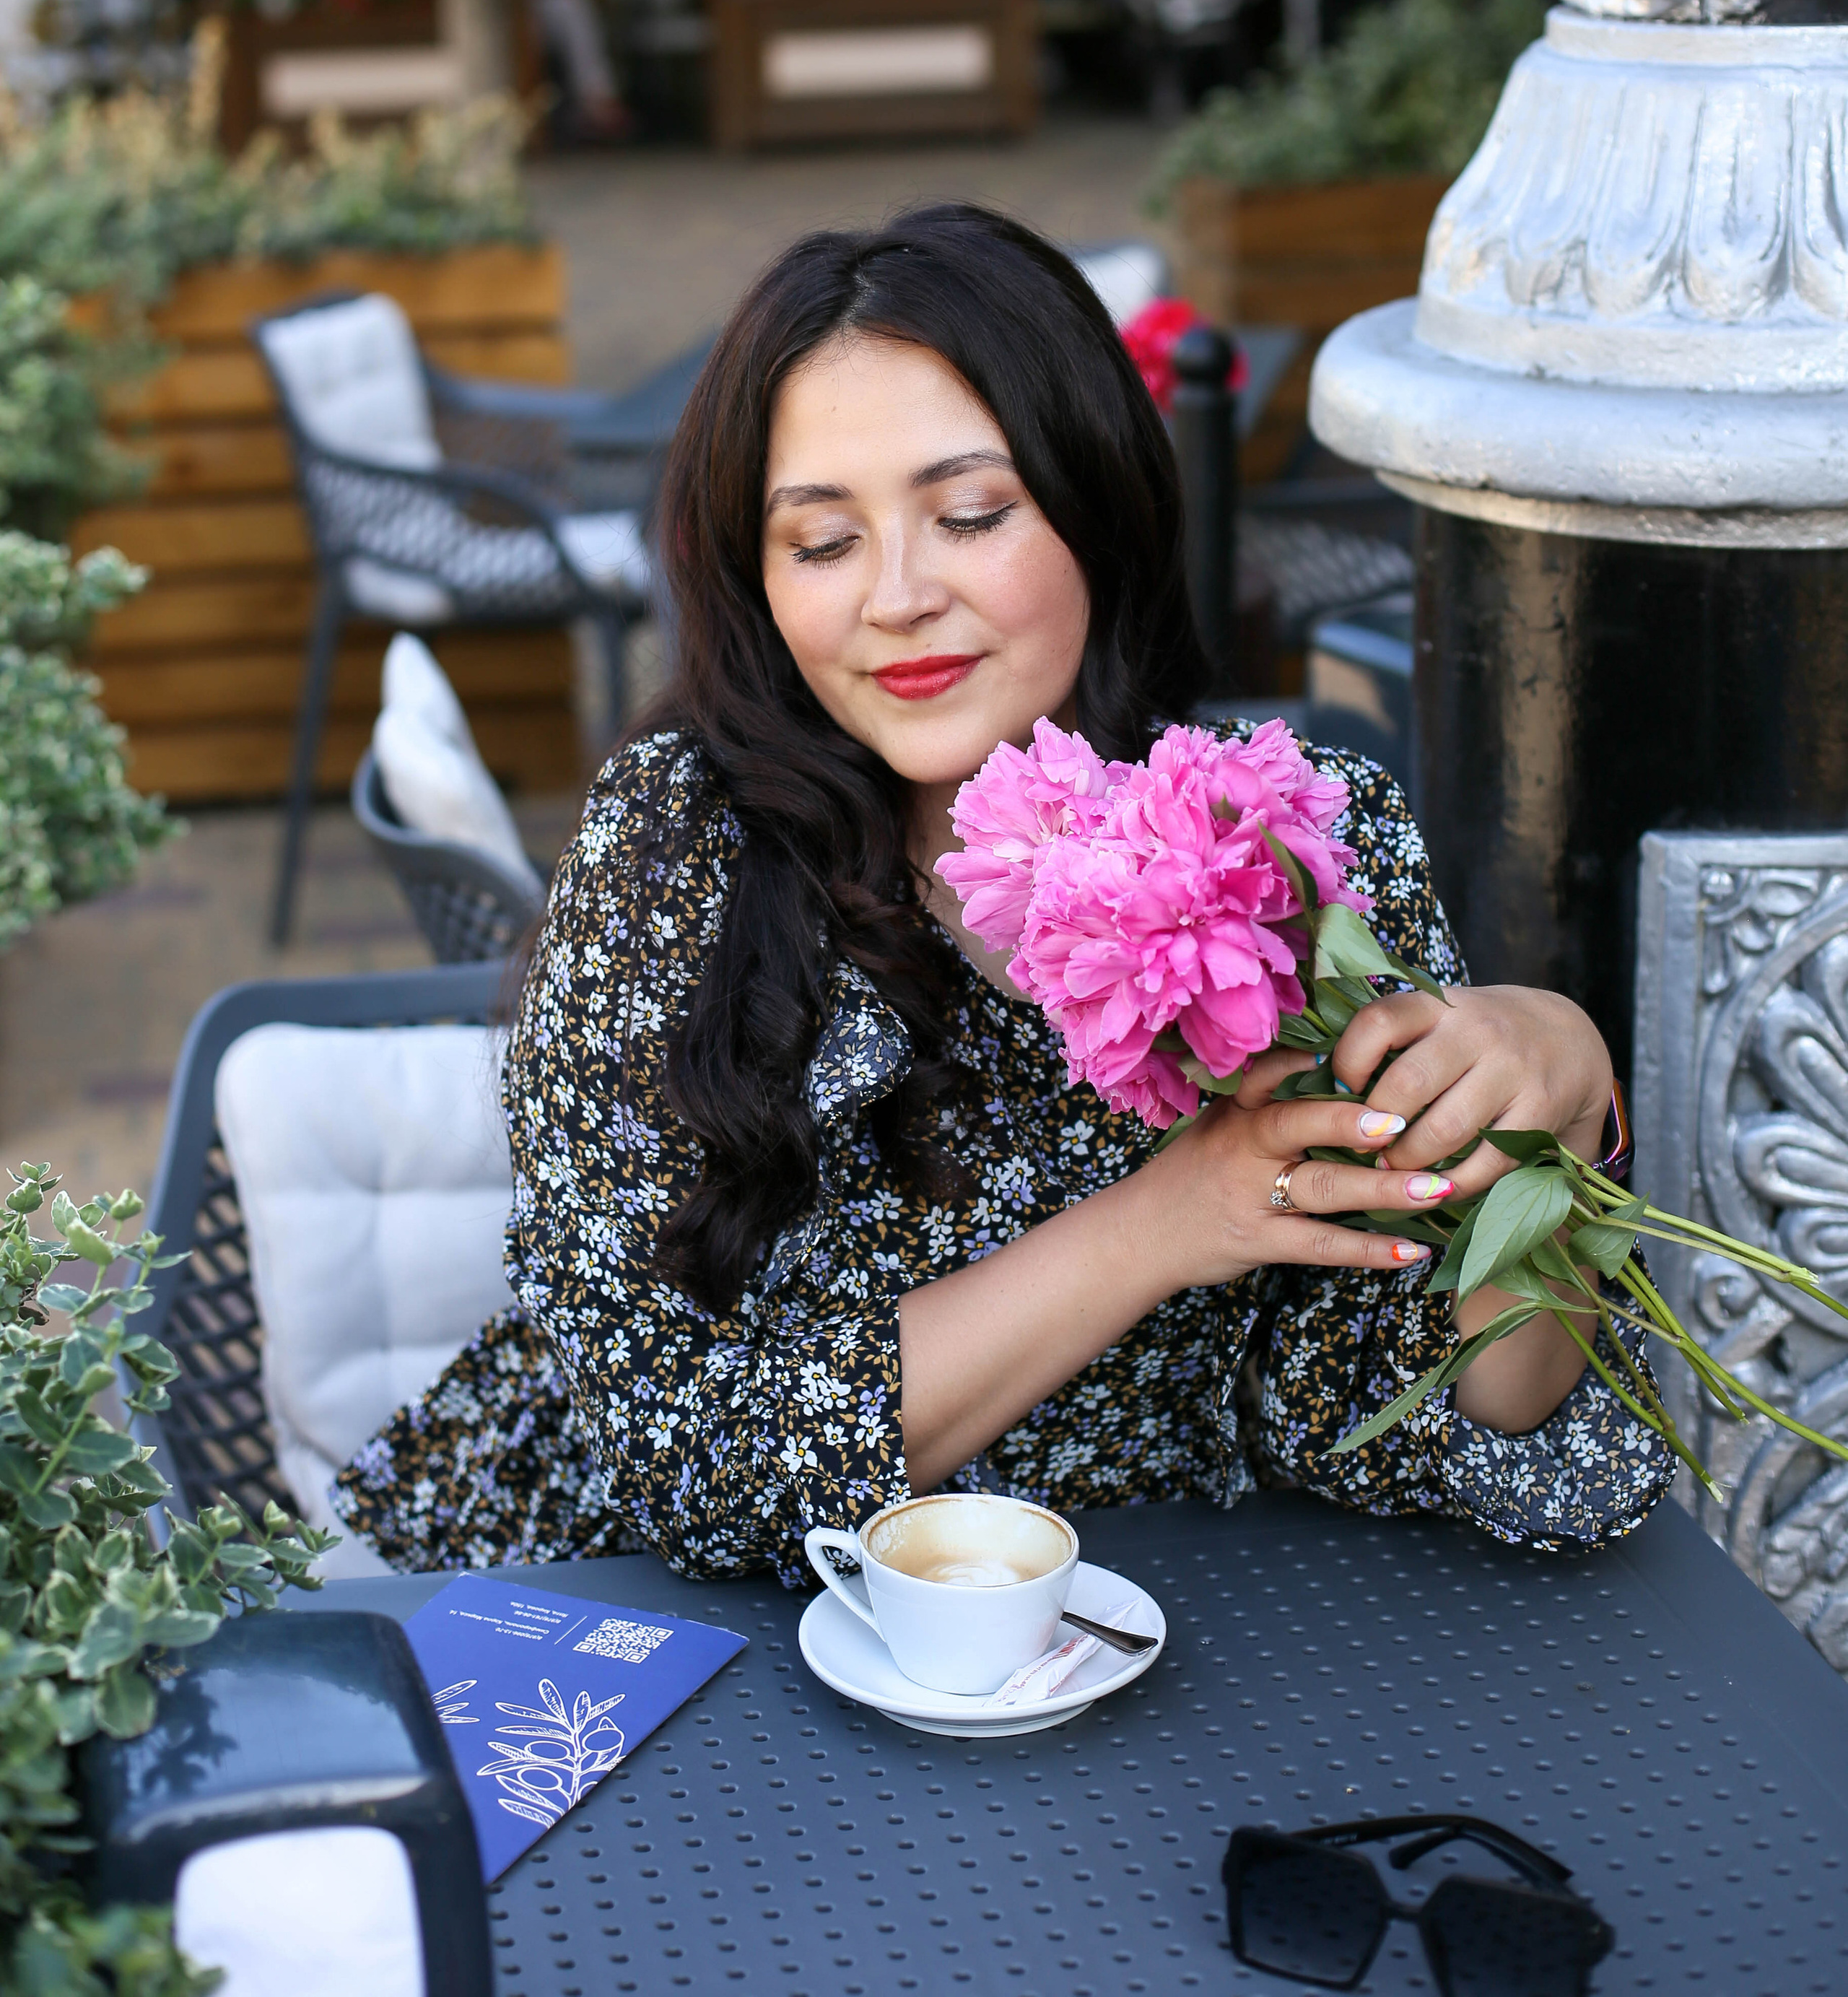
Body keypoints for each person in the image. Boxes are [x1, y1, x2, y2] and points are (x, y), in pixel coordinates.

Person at [334, 206, 1673, 1579]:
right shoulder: (677, 851)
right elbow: (691, 1463)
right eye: (820, 542)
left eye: (970, 515)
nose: (897, 598)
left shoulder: (1294, 842)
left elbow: (1454, 1421)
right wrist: (1166, 1221)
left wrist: (1561, 1102)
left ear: (1097, 508)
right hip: (639, 1641)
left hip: (1138, 1655)